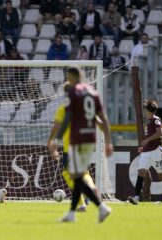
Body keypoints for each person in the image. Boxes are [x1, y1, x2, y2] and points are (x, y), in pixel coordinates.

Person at [50, 66, 113, 223]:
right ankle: (72, 213)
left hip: (77, 139)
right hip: (90, 138)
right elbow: (103, 118)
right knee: (78, 175)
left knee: (75, 176)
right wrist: (108, 141)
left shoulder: (74, 92)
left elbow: (68, 117)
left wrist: (56, 140)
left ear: (71, 77)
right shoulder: (92, 92)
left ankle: (101, 206)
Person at [47, 82, 96, 212]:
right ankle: (90, 189)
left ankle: (82, 201)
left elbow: (57, 126)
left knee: (69, 174)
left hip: (71, 147)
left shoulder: (64, 108)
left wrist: (50, 141)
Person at [128, 99, 162, 205]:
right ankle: (136, 197)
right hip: (146, 153)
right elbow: (150, 136)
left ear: (149, 111)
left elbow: (160, 133)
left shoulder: (156, 119)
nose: (144, 112)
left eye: (145, 110)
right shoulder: (149, 121)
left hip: (156, 152)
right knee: (141, 172)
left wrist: (147, 140)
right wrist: (144, 148)